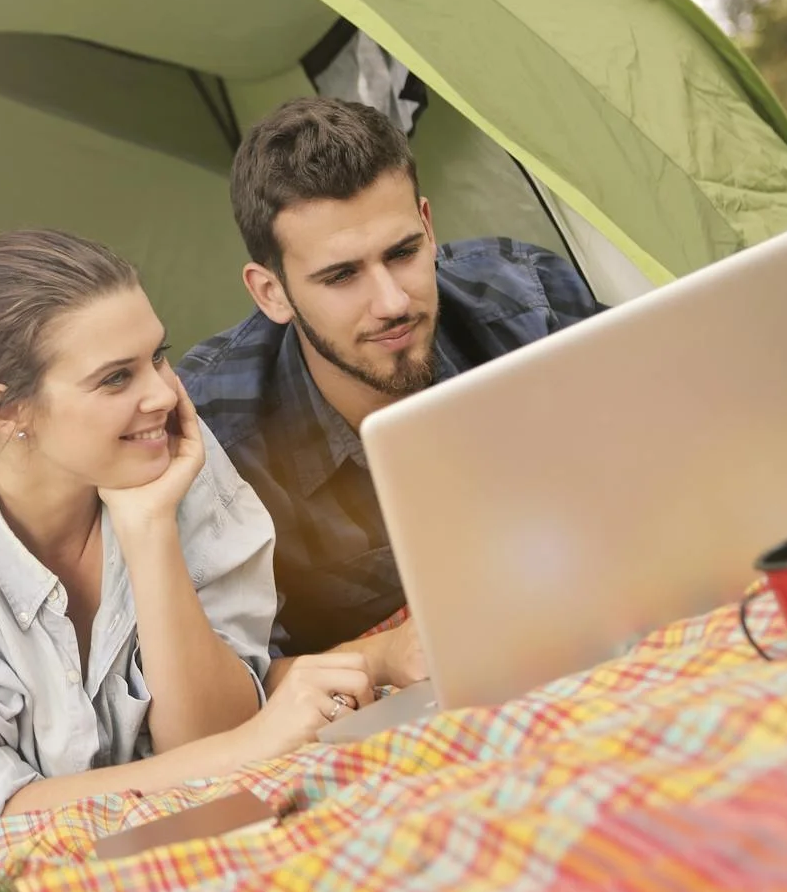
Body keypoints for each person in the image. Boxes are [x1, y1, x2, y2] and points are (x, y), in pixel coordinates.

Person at [0, 230, 378, 838]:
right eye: (115, 379)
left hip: (181, 832)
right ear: (6, 409)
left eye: (158, 356)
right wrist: (243, 750)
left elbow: (211, 734)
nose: (162, 394)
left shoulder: (163, 452)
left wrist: (149, 528)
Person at [180, 96, 603, 656]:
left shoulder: (529, 300)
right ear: (271, 292)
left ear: (428, 228)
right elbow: (241, 675)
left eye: (403, 252)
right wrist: (381, 657)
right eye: (342, 275)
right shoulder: (215, 429)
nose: (392, 302)